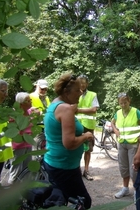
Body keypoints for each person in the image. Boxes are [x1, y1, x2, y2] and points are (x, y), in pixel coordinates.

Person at [43, 73, 93, 209]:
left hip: (56, 162)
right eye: (77, 90)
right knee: (84, 202)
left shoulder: (55, 104)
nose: (81, 93)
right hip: (63, 166)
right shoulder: (65, 109)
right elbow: (69, 143)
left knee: (60, 200)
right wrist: (86, 136)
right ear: (66, 92)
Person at [111, 93, 140, 200]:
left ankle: (136, 191)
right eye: (121, 103)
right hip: (122, 144)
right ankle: (125, 188)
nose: (123, 105)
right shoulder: (118, 113)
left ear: (129, 101)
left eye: (125, 102)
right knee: (123, 167)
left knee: (134, 168)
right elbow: (112, 122)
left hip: (133, 144)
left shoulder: (136, 112)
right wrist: (115, 130)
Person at [8, 92, 37, 184]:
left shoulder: (29, 112)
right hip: (18, 146)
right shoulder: (14, 115)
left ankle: (23, 193)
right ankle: (11, 192)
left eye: (30, 100)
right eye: (28, 101)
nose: (30, 102)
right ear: (21, 104)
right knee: (16, 171)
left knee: (26, 170)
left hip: (28, 145)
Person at [76, 74, 99, 181]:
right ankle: (76, 171)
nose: (82, 85)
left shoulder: (92, 94)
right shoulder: (74, 93)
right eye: (80, 83)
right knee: (76, 149)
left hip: (88, 127)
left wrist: (79, 110)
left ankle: (86, 170)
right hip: (76, 126)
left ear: (87, 84)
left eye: (84, 83)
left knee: (88, 150)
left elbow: (94, 109)